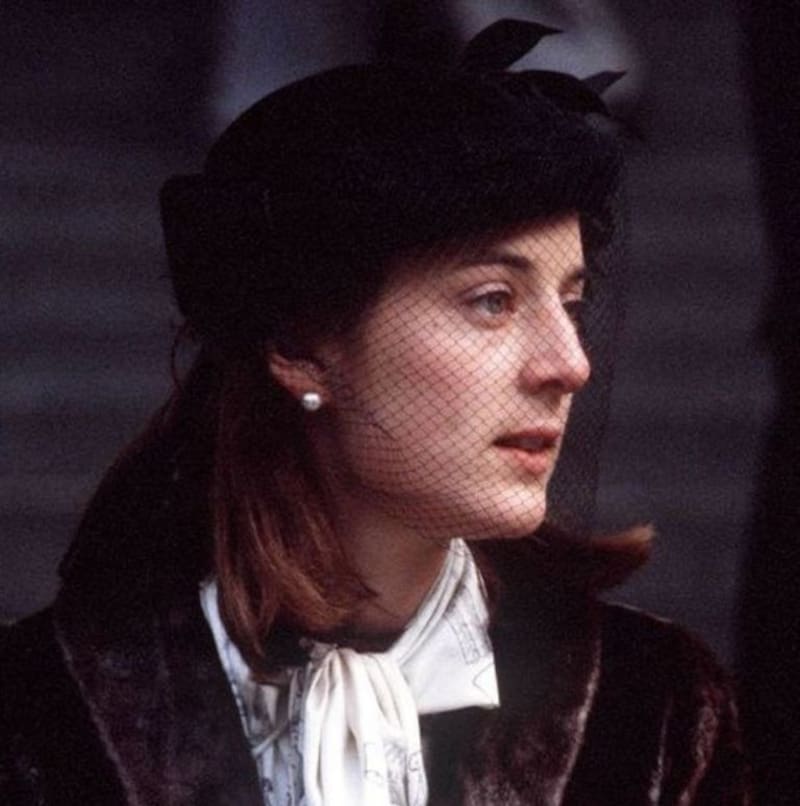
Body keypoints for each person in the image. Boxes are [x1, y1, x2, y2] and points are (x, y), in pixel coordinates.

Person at [0, 19, 748, 806]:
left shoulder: (652, 709)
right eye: (492, 301)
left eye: (571, 304)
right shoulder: (46, 716)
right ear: (298, 344)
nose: (570, 365)